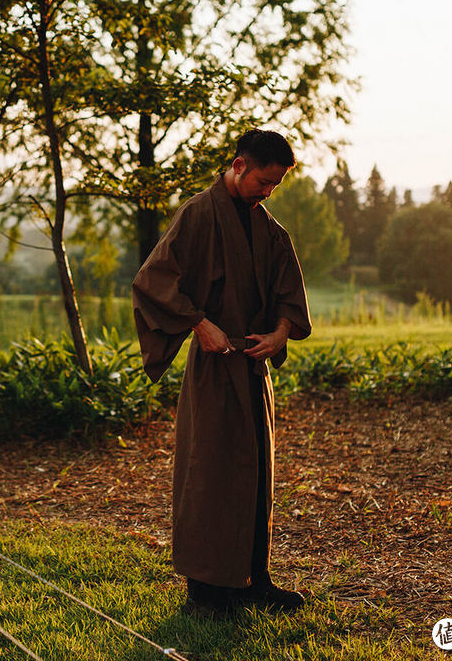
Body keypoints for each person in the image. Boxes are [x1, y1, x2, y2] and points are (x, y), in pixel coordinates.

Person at [131, 129, 311, 614]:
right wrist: (198, 324)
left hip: (252, 371)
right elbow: (153, 281)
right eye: (263, 180)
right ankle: (207, 592)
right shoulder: (198, 215)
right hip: (214, 369)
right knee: (212, 474)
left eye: (276, 185)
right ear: (238, 166)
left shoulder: (269, 229)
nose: (268, 191)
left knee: (255, 475)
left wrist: (279, 334)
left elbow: (289, 293)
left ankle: (253, 580)